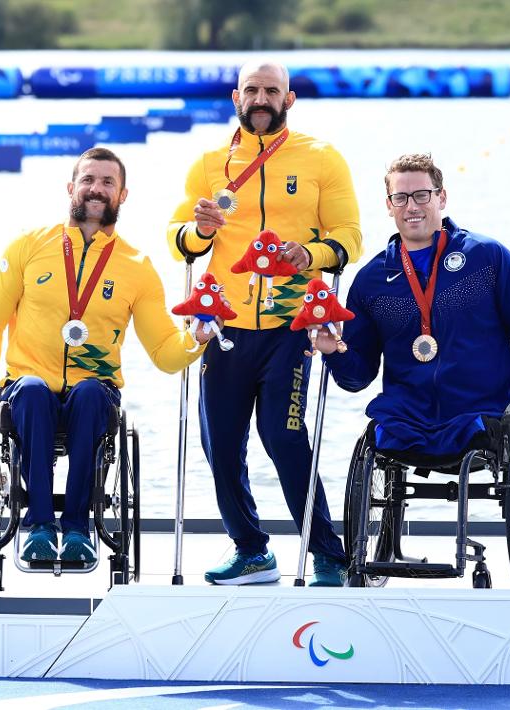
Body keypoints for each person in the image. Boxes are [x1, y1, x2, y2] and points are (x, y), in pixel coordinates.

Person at [0, 147, 216, 565]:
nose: (96, 190)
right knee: (29, 390)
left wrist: (198, 337)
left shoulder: (137, 266)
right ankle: (41, 526)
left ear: (122, 195)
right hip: (28, 389)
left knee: (88, 394)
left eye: (107, 182)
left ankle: (79, 528)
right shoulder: (29, 247)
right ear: (71, 188)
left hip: (94, 393)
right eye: (88, 180)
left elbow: (163, 352)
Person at [167, 61, 362, 586]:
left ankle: (327, 553)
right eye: (251, 89)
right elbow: (178, 238)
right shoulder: (210, 162)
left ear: (289, 99)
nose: (260, 98)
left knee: (283, 437)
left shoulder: (321, 158)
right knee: (220, 443)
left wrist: (311, 253)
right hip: (226, 326)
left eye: (271, 90)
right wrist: (198, 231)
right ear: (235, 96)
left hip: (289, 326)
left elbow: (350, 236)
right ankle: (251, 549)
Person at [311, 153, 510, 462]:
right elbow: (358, 378)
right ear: (389, 205)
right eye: (400, 197)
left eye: (421, 195)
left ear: (441, 198)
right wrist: (335, 350)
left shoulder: (487, 258)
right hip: (405, 418)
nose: (411, 206)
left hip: (480, 411)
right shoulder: (370, 281)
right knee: (375, 439)